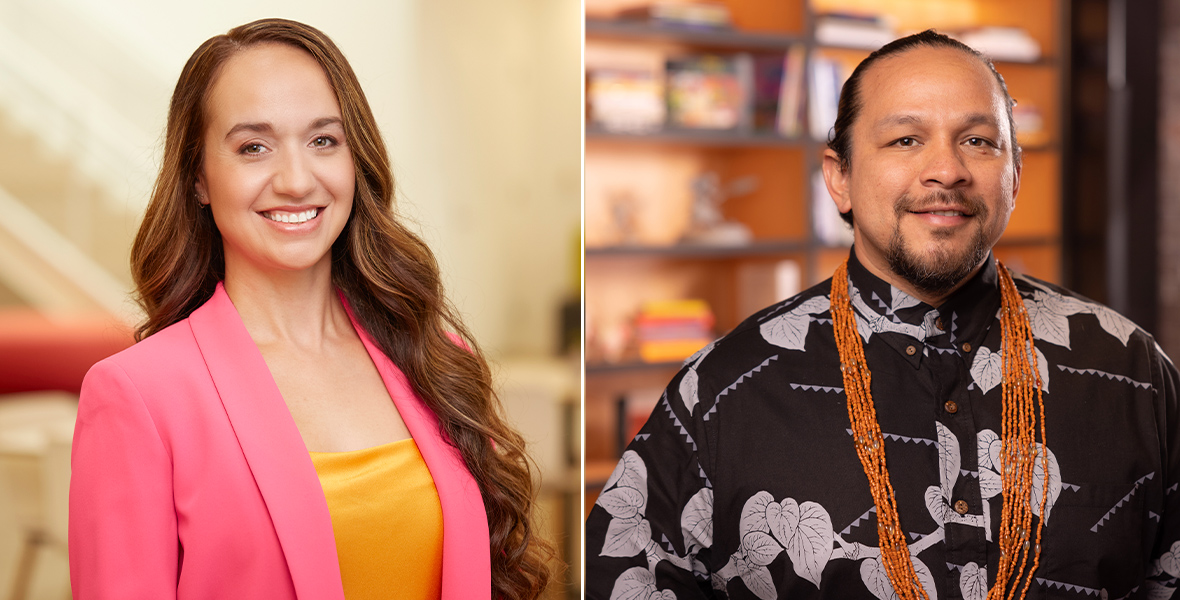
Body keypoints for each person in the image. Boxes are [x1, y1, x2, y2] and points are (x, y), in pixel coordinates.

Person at [585, 30, 1180, 599]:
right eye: (905, 140)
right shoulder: (723, 389)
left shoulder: (1129, 369)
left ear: (1015, 177)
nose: (947, 171)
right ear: (839, 178)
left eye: (978, 141)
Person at [69, 18, 551, 600]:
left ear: (356, 159)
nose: (297, 180)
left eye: (324, 140)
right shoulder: (137, 395)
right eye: (254, 147)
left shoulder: (436, 358)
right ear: (198, 176)